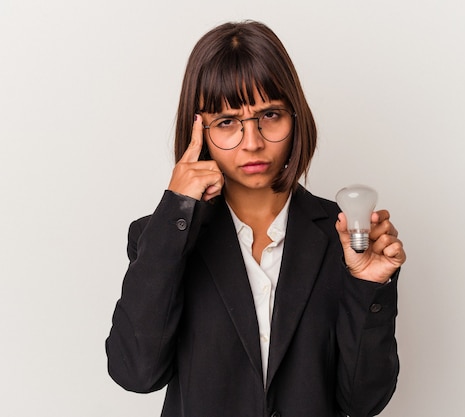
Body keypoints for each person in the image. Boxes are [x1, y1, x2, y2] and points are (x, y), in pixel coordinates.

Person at [106, 20, 406, 417]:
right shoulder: (162, 236)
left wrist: (369, 286)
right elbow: (136, 374)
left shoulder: (345, 237)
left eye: (270, 115)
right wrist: (176, 209)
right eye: (227, 122)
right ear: (198, 129)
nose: (253, 142)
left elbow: (363, 400)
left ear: (295, 116)